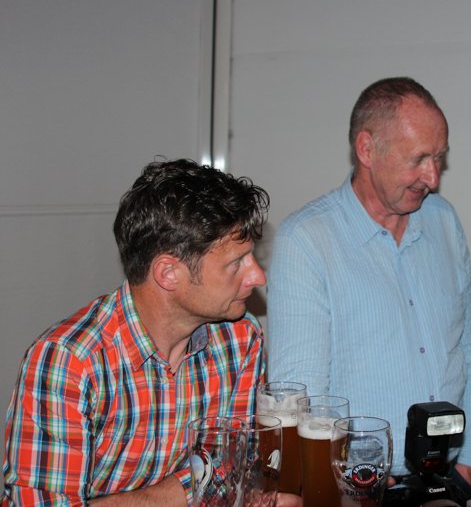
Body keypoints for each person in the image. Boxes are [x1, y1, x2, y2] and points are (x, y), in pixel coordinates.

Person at [3, 159, 300, 506]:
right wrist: (190, 490)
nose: (258, 277)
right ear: (168, 274)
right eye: (237, 263)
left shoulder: (240, 339)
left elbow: (230, 471)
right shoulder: (69, 362)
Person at [267, 77, 471, 496]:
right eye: (419, 159)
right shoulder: (308, 240)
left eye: (439, 158)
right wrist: (352, 484)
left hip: (448, 482)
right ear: (367, 149)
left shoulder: (443, 221)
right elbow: (301, 396)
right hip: (356, 490)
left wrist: (470, 464)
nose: (433, 177)